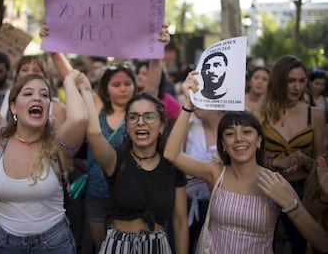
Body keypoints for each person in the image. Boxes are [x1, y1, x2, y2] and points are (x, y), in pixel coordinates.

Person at [165, 70, 328, 253]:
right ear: (223, 145)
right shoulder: (215, 173)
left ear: (259, 141)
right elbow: (171, 154)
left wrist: (293, 205)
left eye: (247, 132)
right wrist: (188, 106)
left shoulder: (274, 183)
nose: (239, 139)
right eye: (229, 134)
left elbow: (321, 242)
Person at [0, 72, 88, 254]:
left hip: (55, 245)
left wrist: (68, 81)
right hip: (3, 246)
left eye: (44, 94)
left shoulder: (58, 146)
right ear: (13, 107)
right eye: (28, 94)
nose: (37, 98)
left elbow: (79, 119)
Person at [79, 73, 188, 253]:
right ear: (127, 128)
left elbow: (180, 221)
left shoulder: (172, 166)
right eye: (133, 117)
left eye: (149, 116)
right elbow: (93, 134)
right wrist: (86, 91)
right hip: (118, 246)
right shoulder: (115, 160)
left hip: (158, 247)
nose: (141, 122)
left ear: (162, 126)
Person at [83, 26, 170, 252]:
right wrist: (54, 50)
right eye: (116, 84)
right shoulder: (97, 108)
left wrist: (157, 49)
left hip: (131, 193)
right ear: (106, 88)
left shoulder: (138, 113)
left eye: (127, 84)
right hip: (98, 192)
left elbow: (152, 83)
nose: (122, 89)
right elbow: (69, 78)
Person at [261, 55, 325, 253]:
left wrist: (308, 162)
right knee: (264, 246)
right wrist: (276, 162)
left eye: (301, 80)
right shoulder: (261, 113)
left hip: (301, 191)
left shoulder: (315, 115)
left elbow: (320, 162)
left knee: (300, 246)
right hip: (265, 188)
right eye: (291, 81)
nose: (297, 87)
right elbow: (248, 158)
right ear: (279, 81)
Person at [181, 108, 224, 254]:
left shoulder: (232, 129)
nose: (196, 103)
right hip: (189, 204)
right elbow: (173, 157)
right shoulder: (190, 125)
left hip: (221, 206)